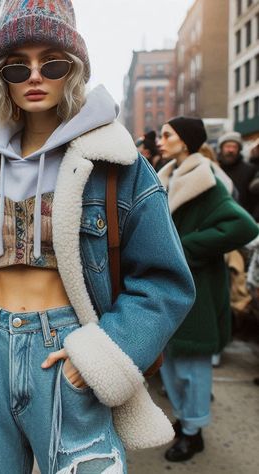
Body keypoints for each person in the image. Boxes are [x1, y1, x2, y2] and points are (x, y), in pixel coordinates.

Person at [0, 2, 195, 473]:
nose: (35, 75)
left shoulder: (115, 164)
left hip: (68, 351)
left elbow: (165, 282)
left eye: (53, 62)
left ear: (74, 70)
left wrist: (98, 356)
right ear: (2, 75)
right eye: (18, 65)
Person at [157, 117, 258, 463]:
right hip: (173, 285)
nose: (161, 140)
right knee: (172, 361)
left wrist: (184, 247)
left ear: (185, 141)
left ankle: (193, 432)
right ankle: (186, 421)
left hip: (197, 286)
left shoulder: (206, 179)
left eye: (168, 135)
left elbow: (243, 225)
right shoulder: (170, 175)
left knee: (193, 365)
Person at [217, 131, 256, 215]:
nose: (231, 150)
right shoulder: (215, 168)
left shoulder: (250, 170)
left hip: (243, 218)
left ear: (239, 149)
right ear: (221, 148)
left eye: (234, 147)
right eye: (228, 146)